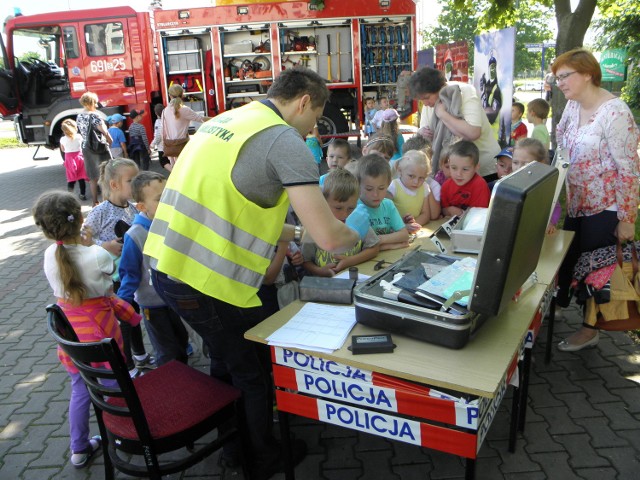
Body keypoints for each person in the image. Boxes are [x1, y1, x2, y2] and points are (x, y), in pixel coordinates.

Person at [143, 67, 364, 480]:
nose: (314, 126)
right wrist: (358, 233)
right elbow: (332, 239)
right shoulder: (284, 140)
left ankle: (232, 444)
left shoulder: (228, 120)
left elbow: (232, 205)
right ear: (303, 103)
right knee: (254, 371)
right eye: (316, 116)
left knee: (226, 359)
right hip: (206, 281)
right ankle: (260, 457)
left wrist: (296, 231)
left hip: (167, 267)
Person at [33, 190, 142, 469]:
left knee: (80, 390)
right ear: (81, 219)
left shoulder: (50, 254)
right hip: (101, 334)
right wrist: (92, 245)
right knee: (116, 387)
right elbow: (108, 276)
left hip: (72, 336)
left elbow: (74, 262)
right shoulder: (96, 254)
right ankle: (128, 437)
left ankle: (79, 448)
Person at [552, 48, 640, 351]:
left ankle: (590, 329)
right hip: (577, 201)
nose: (560, 83)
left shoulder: (616, 112)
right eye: (557, 78)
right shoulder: (572, 107)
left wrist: (627, 219)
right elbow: (561, 148)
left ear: (588, 73)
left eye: (565, 76)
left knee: (597, 269)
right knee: (572, 260)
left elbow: (629, 169)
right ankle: (562, 307)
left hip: (606, 206)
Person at [83, 158, 156, 378]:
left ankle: (141, 355)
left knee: (133, 315)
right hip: (112, 278)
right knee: (122, 322)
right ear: (114, 185)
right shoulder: (100, 211)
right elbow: (80, 239)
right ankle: (128, 367)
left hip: (133, 275)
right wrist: (104, 245)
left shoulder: (134, 209)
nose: (136, 185)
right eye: (130, 180)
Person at [117, 171, 189, 366]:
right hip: (153, 305)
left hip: (177, 299)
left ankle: (186, 379)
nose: (169, 203)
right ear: (142, 206)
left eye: (169, 196)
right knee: (167, 351)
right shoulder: (136, 235)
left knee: (182, 342)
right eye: (160, 200)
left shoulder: (172, 224)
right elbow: (128, 274)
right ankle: (170, 385)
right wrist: (122, 303)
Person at [409, 67, 500, 178]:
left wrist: (442, 114)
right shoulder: (429, 104)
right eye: (421, 100)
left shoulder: (464, 92)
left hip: (484, 167)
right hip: (452, 171)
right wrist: (421, 132)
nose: (425, 103)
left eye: (427, 98)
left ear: (440, 87)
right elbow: (426, 133)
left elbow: (473, 132)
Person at [303, 169, 380, 277]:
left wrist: (350, 261)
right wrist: (318, 271)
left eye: (351, 208)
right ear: (324, 202)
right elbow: (305, 261)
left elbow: (374, 248)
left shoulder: (358, 221)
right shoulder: (317, 226)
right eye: (338, 208)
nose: (345, 214)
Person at [357, 153, 410, 250]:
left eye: (381, 188)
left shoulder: (388, 204)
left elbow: (404, 235)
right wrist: (391, 245)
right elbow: (361, 247)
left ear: (388, 183)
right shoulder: (355, 208)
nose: (375, 194)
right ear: (358, 185)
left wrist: (379, 240)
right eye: (369, 189)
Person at [511, 138, 561, 234]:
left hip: (537, 232)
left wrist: (551, 222)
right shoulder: (510, 183)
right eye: (515, 162)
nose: (519, 168)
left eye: (526, 164)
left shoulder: (544, 185)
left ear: (541, 163)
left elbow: (556, 207)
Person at [388, 150, 440, 232]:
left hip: (413, 230)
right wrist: (402, 226)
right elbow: (386, 214)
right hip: (395, 230)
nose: (416, 182)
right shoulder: (394, 186)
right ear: (400, 171)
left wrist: (413, 224)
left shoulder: (424, 188)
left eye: (421, 178)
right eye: (411, 176)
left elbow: (426, 214)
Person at [76, 92, 113, 206]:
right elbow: (103, 130)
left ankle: (94, 202)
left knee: (93, 177)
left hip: (86, 147)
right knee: (105, 174)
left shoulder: (79, 116)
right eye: (95, 102)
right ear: (91, 103)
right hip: (99, 147)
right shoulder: (95, 115)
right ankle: (106, 202)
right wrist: (110, 140)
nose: (97, 105)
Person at [162, 84, 210, 166]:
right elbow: (201, 119)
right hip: (182, 146)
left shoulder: (165, 111)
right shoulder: (184, 109)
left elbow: (163, 131)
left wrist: (164, 146)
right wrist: (220, 117)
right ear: (182, 95)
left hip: (171, 147)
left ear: (170, 96)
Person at [440, 140, 490, 217]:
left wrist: (462, 213)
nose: (459, 174)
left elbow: (480, 216)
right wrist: (448, 210)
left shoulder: (480, 185)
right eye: (454, 168)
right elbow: (443, 210)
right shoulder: (446, 186)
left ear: (476, 167)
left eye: (465, 169)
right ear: (449, 164)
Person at [59, 119, 88, 201]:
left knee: (71, 178)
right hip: (79, 158)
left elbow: (63, 149)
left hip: (69, 159)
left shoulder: (62, 139)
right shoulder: (79, 137)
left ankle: (70, 195)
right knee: (81, 178)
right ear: (75, 127)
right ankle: (82, 194)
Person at [479, 52, 502, 124]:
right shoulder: (486, 83)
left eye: (494, 67)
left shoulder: (497, 86)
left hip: (492, 123)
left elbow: (497, 105)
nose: (492, 70)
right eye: (491, 67)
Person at [151, 103, 171, 172]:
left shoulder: (158, 122)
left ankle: (174, 174)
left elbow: (158, 135)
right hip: (170, 144)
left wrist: (153, 144)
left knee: (163, 162)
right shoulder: (168, 120)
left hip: (162, 147)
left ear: (156, 113)